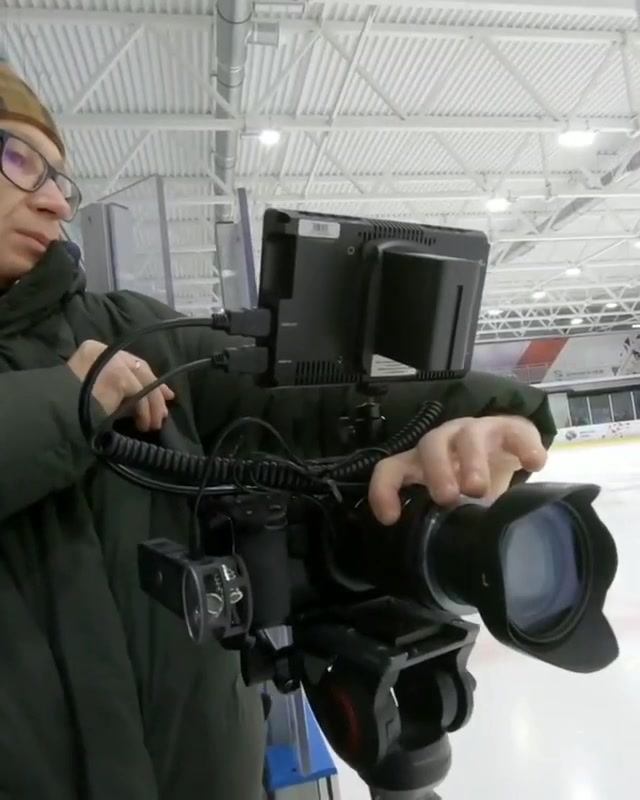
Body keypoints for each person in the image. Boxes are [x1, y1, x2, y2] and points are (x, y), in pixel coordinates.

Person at [0, 61, 555, 800]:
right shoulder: (93, 377)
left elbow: (307, 406)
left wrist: (478, 415)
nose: (55, 205)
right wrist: (68, 401)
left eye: (63, 182)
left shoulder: (135, 335)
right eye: (18, 158)